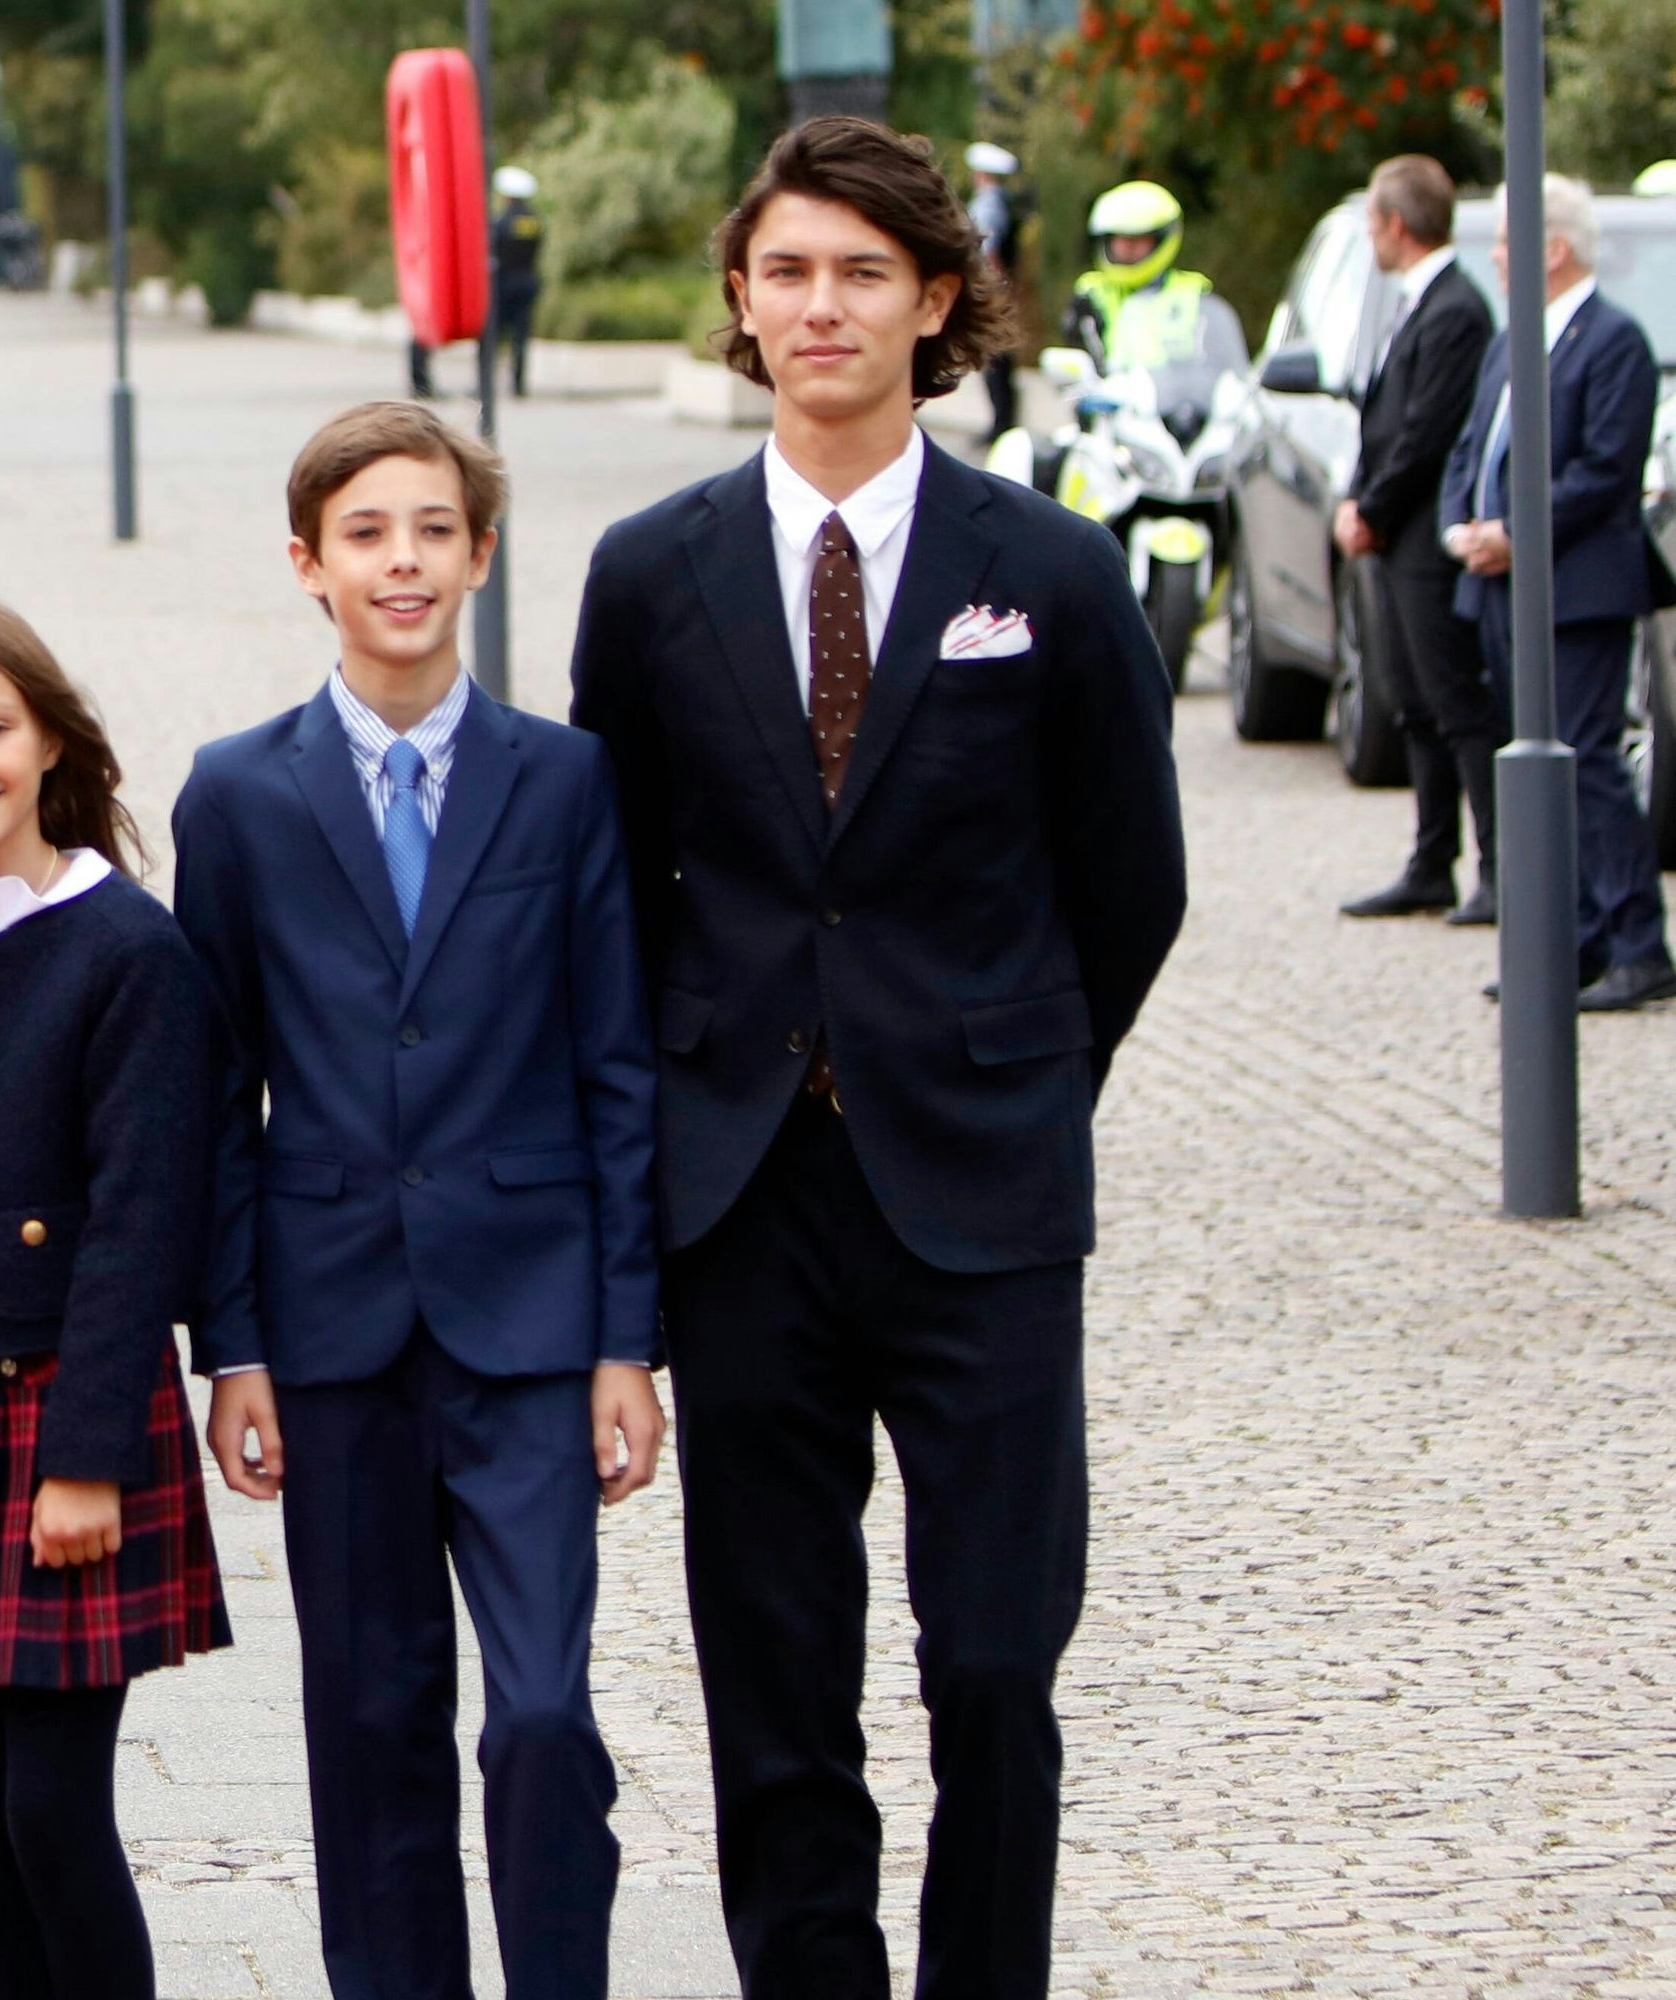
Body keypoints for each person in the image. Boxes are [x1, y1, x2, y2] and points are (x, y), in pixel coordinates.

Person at [565, 119, 1185, 1995]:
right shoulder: (649, 573)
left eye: (860, 272)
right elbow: (621, 890)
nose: (819, 305)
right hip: (743, 1197)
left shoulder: (1053, 573)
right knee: (775, 1668)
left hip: (982, 1195)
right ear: (742, 306)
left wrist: (1011, 1075)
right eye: (785, 271)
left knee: (996, 1657)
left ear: (936, 300)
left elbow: (1131, 885)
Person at [184, 402, 663, 2000]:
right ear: (310, 562)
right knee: (372, 1717)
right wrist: (233, 1346)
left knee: (537, 1712)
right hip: (331, 1331)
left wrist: (627, 1343)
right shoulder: (235, 797)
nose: (404, 562)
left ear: (481, 552)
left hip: (529, 1320)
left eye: (434, 531)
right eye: (369, 534)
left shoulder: (565, 781)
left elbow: (617, 1066)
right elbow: (220, 1099)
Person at [0, 596, 228, 2000]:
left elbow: (140, 1226)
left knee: (51, 1812)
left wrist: (88, 1461)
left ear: (51, 737)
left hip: (70, 1420)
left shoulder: (130, 950)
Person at [1441, 174, 1676, 1011]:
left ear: (1555, 247)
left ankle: (1640, 944)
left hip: (1576, 587)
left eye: (1508, 240)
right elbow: (1472, 451)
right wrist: (1462, 528)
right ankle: (1575, 944)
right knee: (1534, 766)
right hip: (1499, 586)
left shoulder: (1614, 341)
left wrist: (1516, 535)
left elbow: (1605, 471)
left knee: (1586, 761)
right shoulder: (1512, 341)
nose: (1497, 256)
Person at [1335, 155, 1501, 925]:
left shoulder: (1456, 310)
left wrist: (1372, 507)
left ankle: (1498, 865)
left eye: (1372, 221)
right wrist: (1357, 497)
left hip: (1429, 536)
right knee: (1413, 702)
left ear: (1398, 226)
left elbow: (1427, 430)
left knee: (1456, 698)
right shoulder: (1418, 303)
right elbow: (1385, 419)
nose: (1371, 235)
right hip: (1399, 534)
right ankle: (1431, 859)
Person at [1063, 179, 1241, 378]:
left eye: (1138, 239)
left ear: (1160, 239)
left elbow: (1218, 359)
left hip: (1177, 402)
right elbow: (1078, 357)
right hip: (1110, 402)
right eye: (1120, 239)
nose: (1127, 248)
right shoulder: (1091, 293)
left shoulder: (1193, 292)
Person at [965, 142, 1029, 444]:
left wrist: (991, 289)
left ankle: (1000, 426)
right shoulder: (1004, 201)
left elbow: (987, 250)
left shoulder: (987, 203)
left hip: (993, 291)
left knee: (994, 357)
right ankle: (1003, 422)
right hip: (1004, 289)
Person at [487, 167, 544, 401]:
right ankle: (518, 384)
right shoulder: (534, 221)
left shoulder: (501, 222)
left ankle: (487, 381)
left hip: (502, 285)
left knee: (493, 336)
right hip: (527, 282)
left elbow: (492, 251)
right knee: (521, 336)